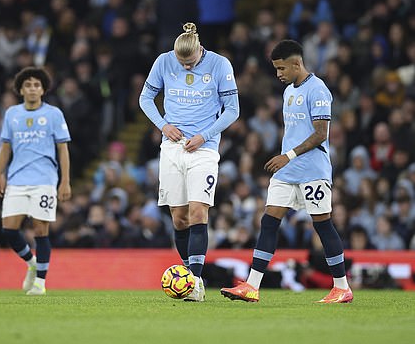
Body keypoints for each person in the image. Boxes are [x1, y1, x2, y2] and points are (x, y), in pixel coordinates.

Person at [220, 39, 353, 304]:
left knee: (323, 225)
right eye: (276, 69)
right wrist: (286, 158)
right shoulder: (288, 91)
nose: (279, 74)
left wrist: (288, 155)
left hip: (312, 171)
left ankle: (342, 287)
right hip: (286, 172)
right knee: (269, 221)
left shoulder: (318, 90)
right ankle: (252, 286)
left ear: (296, 63)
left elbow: (320, 134)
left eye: (281, 69)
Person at [139, 22, 240, 301]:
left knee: (198, 212)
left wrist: (205, 135)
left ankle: (196, 282)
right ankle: (187, 274)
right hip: (172, 148)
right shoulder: (163, 61)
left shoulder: (220, 65)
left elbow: (233, 110)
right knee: (179, 218)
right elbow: (145, 98)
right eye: (181, 62)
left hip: (204, 149)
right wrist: (163, 125)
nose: (185, 67)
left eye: (190, 62)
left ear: (199, 50)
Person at [0, 67, 71, 296]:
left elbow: (63, 149)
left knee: (40, 230)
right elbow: (5, 147)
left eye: (37, 85)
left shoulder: (54, 114)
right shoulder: (12, 114)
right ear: (20, 89)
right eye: (28, 85)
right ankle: (32, 263)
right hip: (17, 178)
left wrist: (65, 181)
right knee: (8, 230)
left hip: (45, 179)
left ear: (43, 89)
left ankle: (40, 283)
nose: (32, 89)